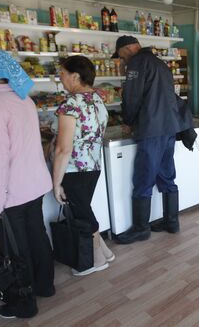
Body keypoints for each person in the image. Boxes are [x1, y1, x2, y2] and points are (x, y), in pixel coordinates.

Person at [0, 43, 54, 319]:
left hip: (10, 192)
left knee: (14, 248)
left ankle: (23, 303)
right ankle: (45, 285)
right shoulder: (23, 99)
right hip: (34, 185)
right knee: (36, 235)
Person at [113, 36, 192, 244]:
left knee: (143, 178)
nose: (120, 59)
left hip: (151, 129)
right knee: (167, 176)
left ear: (128, 48)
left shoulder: (136, 63)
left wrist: (129, 121)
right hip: (169, 128)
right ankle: (171, 222)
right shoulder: (159, 63)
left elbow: (131, 97)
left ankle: (141, 228)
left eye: (120, 55)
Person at [52, 55, 114, 276]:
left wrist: (56, 183)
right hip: (94, 164)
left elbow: (63, 149)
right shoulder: (97, 99)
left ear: (75, 76)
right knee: (84, 209)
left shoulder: (70, 104)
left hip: (74, 168)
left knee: (81, 213)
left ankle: (96, 260)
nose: (60, 79)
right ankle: (104, 251)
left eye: (62, 74)